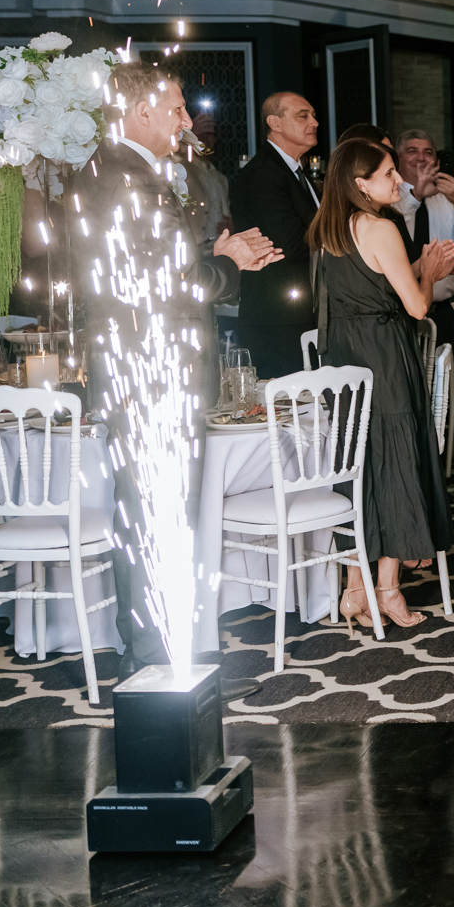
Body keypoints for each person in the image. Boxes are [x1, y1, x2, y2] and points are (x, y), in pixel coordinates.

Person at [78, 62, 282, 683]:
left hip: (134, 365)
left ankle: (152, 649)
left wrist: (212, 255)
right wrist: (230, 263)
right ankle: (156, 657)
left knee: (146, 512)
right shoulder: (134, 179)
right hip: (152, 374)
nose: (187, 120)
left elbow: (150, 270)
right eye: (175, 108)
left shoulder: (107, 170)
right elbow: (174, 284)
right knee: (156, 514)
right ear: (140, 111)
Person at [309, 138, 454, 635]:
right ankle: (388, 588)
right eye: (388, 173)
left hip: (343, 361)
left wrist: (421, 268)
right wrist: (431, 274)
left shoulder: (327, 231)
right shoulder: (380, 227)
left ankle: (355, 587)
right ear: (361, 184)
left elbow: (371, 285)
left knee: (360, 469)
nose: (399, 180)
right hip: (383, 358)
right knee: (395, 464)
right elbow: (415, 307)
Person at [230, 91, 321, 379]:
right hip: (279, 318)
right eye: (303, 116)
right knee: (288, 402)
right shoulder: (263, 174)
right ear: (275, 123)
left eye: (313, 115)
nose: (314, 122)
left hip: (299, 312)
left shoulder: (294, 172)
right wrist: (341, 233)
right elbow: (289, 245)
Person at [394, 129, 454, 347]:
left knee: (443, 370)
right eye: (412, 151)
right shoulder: (390, 195)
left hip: (441, 312)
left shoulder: (447, 198)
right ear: (398, 158)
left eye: (428, 152)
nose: (421, 158)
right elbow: (391, 227)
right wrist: (416, 196)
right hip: (397, 312)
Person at [179, 106, 232, 248]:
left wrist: (230, 226)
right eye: (200, 135)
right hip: (192, 248)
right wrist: (189, 134)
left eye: (210, 134)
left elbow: (226, 215)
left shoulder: (220, 178)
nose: (205, 140)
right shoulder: (181, 170)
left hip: (219, 248)